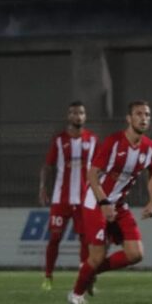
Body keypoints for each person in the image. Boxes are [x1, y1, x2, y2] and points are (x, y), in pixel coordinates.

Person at [67, 101, 152, 304]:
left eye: (147, 114)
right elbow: (92, 174)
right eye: (138, 114)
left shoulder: (149, 147)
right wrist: (104, 202)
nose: (144, 118)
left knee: (136, 254)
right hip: (95, 202)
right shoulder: (114, 142)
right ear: (129, 118)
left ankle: (89, 272)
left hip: (118, 204)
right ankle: (76, 294)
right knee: (97, 256)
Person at [39, 101, 98, 290]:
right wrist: (43, 188)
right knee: (55, 238)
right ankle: (48, 276)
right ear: (68, 116)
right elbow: (48, 166)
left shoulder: (93, 140)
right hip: (60, 199)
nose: (77, 116)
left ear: (85, 116)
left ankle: (85, 279)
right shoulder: (59, 140)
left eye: (81, 113)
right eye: (74, 113)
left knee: (85, 240)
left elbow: (100, 167)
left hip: (84, 199)